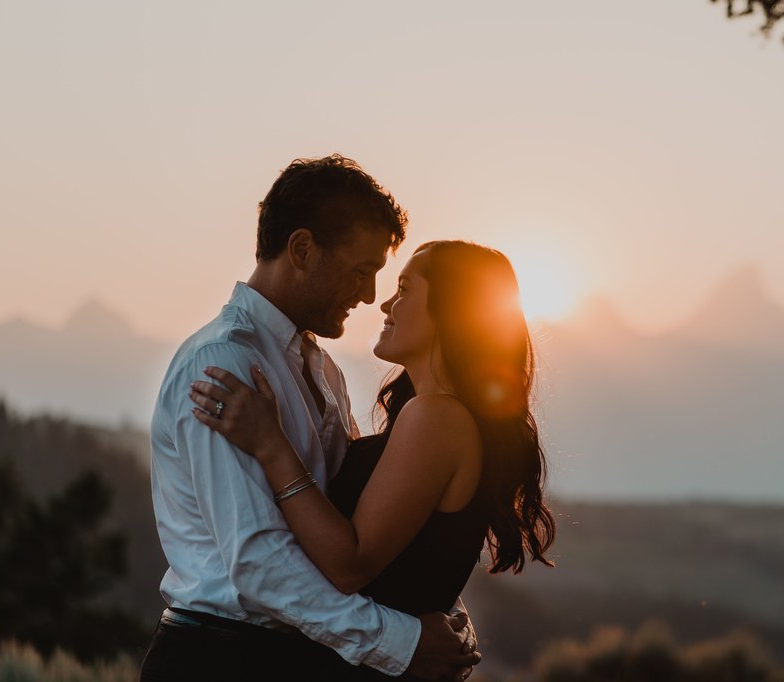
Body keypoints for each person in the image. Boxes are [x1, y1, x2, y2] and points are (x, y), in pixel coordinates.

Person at [141, 156, 480, 682]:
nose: (370, 295)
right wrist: (400, 641)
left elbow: (363, 519)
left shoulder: (324, 372)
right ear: (301, 250)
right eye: (361, 271)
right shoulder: (223, 365)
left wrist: (442, 610)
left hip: (301, 658)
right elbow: (259, 562)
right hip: (219, 659)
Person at [188, 240, 557, 680]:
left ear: (451, 311)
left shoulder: (437, 418)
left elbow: (350, 565)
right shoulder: (440, 417)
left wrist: (272, 445)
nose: (384, 303)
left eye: (404, 290)